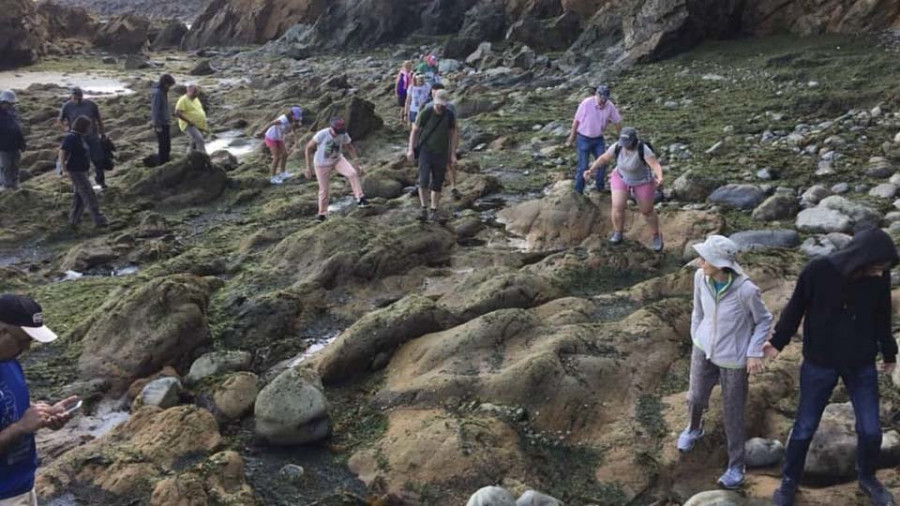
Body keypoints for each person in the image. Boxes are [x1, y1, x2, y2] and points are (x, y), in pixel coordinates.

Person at [765, 228, 899, 506]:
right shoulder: (817, 271)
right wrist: (777, 342)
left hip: (861, 364)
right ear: (861, 258)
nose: (880, 274)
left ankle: (867, 477)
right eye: (877, 267)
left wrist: (889, 352)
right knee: (804, 427)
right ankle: (789, 481)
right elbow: (795, 309)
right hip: (819, 363)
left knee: (872, 430)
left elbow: (883, 316)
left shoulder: (878, 278)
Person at [677, 235, 773, 489]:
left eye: (705, 259)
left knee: (733, 414)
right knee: (696, 397)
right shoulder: (700, 277)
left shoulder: (746, 290)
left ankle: (736, 465)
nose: (700, 262)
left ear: (721, 264)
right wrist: (697, 335)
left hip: (733, 359)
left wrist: (753, 352)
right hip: (703, 349)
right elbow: (697, 310)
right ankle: (694, 428)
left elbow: (764, 320)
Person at [0, 294, 79, 506]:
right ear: (1, 331)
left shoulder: (8, 361)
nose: (26, 349)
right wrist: (20, 427)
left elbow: (9, 408)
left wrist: (44, 414)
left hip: (22, 485)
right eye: (22, 340)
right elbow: (18, 425)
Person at [585, 127, 664, 252]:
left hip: (642, 181)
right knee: (617, 206)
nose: (625, 146)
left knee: (646, 211)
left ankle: (656, 235)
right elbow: (604, 158)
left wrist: (659, 177)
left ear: (634, 141)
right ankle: (618, 233)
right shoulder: (617, 147)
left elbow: (654, 164)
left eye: (628, 144)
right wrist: (592, 169)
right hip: (621, 177)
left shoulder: (643, 149)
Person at [407, 89, 458, 223]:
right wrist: (410, 149)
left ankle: (434, 210)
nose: (439, 106)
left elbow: (452, 134)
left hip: (441, 152)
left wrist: (452, 154)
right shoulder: (426, 112)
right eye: (438, 103)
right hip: (425, 150)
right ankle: (424, 208)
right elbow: (414, 131)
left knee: (438, 181)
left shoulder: (449, 115)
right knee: (423, 179)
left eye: (442, 104)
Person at [305, 118, 369, 221]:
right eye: (337, 131)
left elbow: (349, 147)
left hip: (337, 160)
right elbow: (308, 148)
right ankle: (322, 214)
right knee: (324, 190)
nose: (338, 134)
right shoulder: (322, 134)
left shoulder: (343, 134)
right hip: (322, 164)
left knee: (352, 173)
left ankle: (360, 198)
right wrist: (308, 167)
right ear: (332, 128)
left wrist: (357, 164)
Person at [567, 85, 622, 194]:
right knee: (583, 166)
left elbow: (617, 121)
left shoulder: (609, 106)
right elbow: (576, 121)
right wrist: (571, 138)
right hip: (583, 138)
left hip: (598, 139)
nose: (602, 102)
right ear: (596, 95)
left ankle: (600, 187)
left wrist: (621, 138)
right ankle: (578, 191)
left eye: (605, 99)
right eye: (601, 99)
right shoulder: (587, 103)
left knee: (603, 162)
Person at [59, 116, 108, 229]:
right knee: (89, 194)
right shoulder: (71, 138)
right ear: (83, 127)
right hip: (75, 171)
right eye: (88, 127)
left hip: (82, 171)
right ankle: (99, 220)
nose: (90, 129)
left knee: (80, 196)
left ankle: (73, 220)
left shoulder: (79, 137)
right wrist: (64, 170)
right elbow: (62, 153)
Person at [58, 87, 107, 189]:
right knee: (81, 161)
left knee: (98, 159)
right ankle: (83, 183)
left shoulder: (91, 105)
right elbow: (60, 120)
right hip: (77, 138)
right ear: (72, 96)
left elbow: (99, 120)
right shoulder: (67, 106)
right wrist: (66, 129)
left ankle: (101, 181)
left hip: (92, 136)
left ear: (82, 96)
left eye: (79, 97)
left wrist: (102, 134)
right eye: (75, 97)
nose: (78, 100)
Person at [260, 106, 302, 185]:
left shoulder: (292, 121)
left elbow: (293, 129)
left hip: (278, 138)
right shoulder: (283, 120)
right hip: (271, 137)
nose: (297, 120)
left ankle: (283, 173)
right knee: (276, 157)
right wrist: (261, 131)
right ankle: (273, 177)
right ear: (291, 115)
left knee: (285, 155)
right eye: (296, 118)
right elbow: (271, 123)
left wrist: (297, 141)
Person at [0, 91, 26, 191]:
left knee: (15, 165)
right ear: (2, 102)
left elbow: (17, 129)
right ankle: (5, 185)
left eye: (12, 104)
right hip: (3, 146)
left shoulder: (13, 112)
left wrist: (22, 143)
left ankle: (15, 184)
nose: (11, 106)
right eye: (9, 104)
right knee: (5, 166)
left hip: (15, 144)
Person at [174, 84, 208, 154]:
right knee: (199, 139)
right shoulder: (183, 100)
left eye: (197, 92)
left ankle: (189, 157)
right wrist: (189, 121)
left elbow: (198, 110)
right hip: (189, 125)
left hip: (198, 125)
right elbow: (178, 112)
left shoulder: (196, 99)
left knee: (193, 143)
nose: (196, 94)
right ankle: (203, 156)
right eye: (194, 92)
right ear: (188, 91)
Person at [150, 74, 176, 165]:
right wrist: (157, 125)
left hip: (165, 122)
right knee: (163, 146)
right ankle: (162, 163)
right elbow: (155, 110)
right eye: (169, 85)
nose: (169, 87)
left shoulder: (163, 91)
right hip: (160, 124)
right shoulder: (158, 93)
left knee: (167, 146)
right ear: (164, 83)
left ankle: (166, 162)